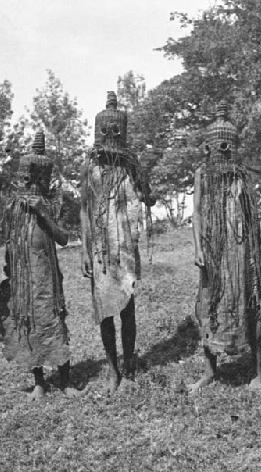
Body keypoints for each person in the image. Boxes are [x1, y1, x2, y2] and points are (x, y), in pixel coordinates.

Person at [0, 132, 76, 401]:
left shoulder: (52, 202)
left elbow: (64, 238)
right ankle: (39, 383)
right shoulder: (14, 207)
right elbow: (8, 240)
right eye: (26, 177)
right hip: (22, 278)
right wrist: (9, 273)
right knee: (26, 322)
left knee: (54, 321)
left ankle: (66, 380)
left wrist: (42, 213)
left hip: (46, 277)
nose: (30, 182)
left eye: (35, 178)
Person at [190, 101, 261, 394]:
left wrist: (252, 256)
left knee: (250, 306)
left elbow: (251, 218)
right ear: (209, 147)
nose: (222, 149)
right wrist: (199, 248)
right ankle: (211, 371)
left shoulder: (240, 175)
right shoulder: (202, 174)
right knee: (207, 305)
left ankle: (259, 372)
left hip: (240, 250)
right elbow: (197, 212)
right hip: (212, 250)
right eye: (218, 145)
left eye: (227, 144)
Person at [80, 91, 155, 394]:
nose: (110, 135)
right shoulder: (90, 167)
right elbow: (84, 209)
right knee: (105, 310)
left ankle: (129, 365)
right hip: (99, 249)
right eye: (106, 130)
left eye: (115, 130)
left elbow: (150, 198)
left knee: (127, 308)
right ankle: (112, 370)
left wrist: (144, 185)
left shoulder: (130, 167)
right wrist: (85, 251)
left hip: (125, 246)